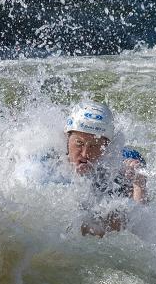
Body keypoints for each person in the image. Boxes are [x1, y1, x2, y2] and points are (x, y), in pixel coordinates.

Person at [23, 101, 147, 237]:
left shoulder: (121, 163)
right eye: (79, 143)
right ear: (67, 138)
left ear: (106, 147)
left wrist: (138, 185)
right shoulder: (45, 165)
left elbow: (137, 232)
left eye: (94, 146)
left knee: (114, 217)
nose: (85, 154)